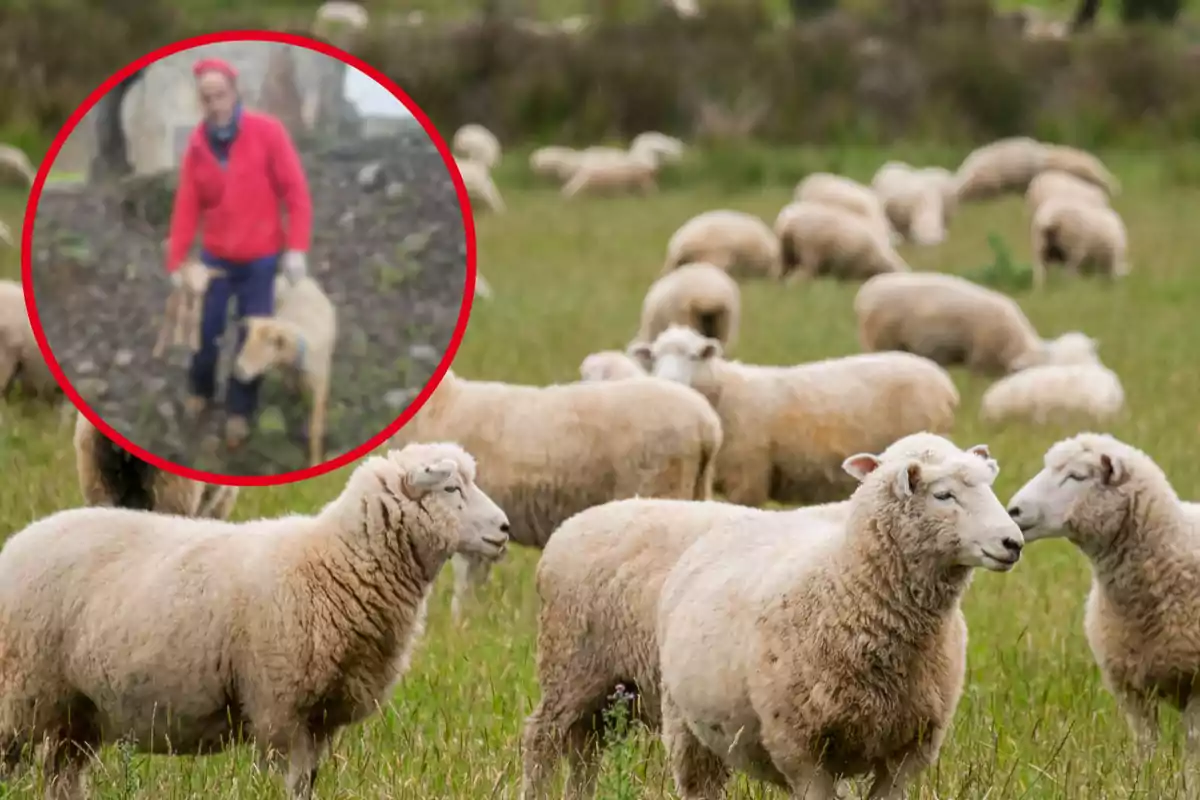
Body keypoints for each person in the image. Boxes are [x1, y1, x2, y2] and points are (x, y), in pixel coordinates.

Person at [164, 55, 313, 451]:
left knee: (254, 337)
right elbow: (186, 206)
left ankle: (240, 412)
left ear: (235, 92)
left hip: (262, 258)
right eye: (206, 97)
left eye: (221, 94)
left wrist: (296, 249)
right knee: (206, 331)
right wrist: (177, 260)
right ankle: (200, 390)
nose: (215, 104)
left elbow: (295, 193)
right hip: (216, 259)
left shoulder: (268, 133)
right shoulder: (197, 147)